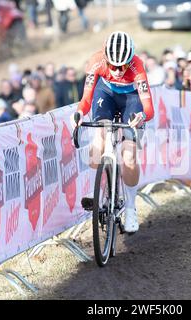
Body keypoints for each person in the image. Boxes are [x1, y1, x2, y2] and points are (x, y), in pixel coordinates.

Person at [70, 31, 155, 233]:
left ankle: (131, 208)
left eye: (122, 66)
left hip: (131, 99)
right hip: (105, 93)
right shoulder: (96, 61)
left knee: (129, 156)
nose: (117, 71)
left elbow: (149, 108)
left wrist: (141, 117)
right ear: (105, 58)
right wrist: (80, 113)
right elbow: (86, 98)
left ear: (130, 60)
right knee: (99, 141)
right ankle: (97, 192)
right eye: (113, 65)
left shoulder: (137, 66)